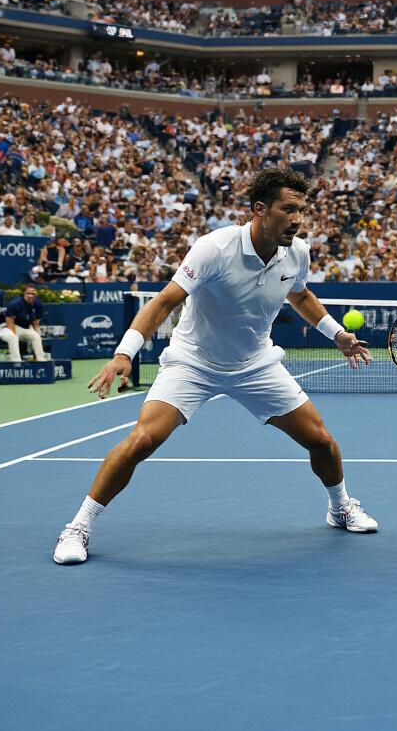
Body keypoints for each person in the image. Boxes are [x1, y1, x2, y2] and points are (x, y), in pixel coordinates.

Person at [53, 168, 377, 565]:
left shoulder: (298, 252)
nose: (298, 219)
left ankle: (339, 507)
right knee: (142, 440)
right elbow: (164, 302)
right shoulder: (213, 248)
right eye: (288, 209)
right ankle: (78, 527)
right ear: (260, 209)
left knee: (322, 442)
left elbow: (301, 295)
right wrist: (125, 353)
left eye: (302, 210)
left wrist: (337, 334)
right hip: (194, 362)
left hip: (256, 363)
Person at [0, 284, 48, 362]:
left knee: (35, 336)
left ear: (36, 295)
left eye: (33, 294)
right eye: (28, 293)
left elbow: (35, 321)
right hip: (5, 328)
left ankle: (41, 360)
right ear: (24, 294)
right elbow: (9, 322)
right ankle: (16, 361)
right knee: (13, 337)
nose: (30, 296)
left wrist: (37, 331)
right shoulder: (15, 303)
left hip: (21, 328)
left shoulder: (38, 304)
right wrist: (15, 335)